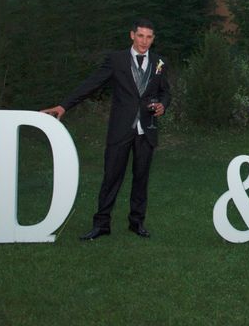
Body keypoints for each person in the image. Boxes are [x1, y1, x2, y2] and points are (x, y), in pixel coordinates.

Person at [42, 19, 170, 240]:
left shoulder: (159, 62)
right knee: (111, 178)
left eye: (149, 37)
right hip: (120, 130)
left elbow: (165, 92)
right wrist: (64, 105)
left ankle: (136, 223)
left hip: (146, 130)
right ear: (132, 35)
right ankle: (101, 224)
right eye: (141, 36)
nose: (144, 42)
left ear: (153, 38)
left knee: (141, 179)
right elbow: (92, 83)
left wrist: (162, 105)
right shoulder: (117, 60)